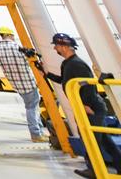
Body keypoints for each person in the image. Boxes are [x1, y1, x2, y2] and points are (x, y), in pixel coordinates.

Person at [38, 33, 121, 178]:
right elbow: (64, 80)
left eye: (56, 46)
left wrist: (85, 105)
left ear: (64, 47)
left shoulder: (77, 64)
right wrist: (47, 74)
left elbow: (88, 85)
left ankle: (93, 169)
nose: (55, 48)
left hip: (91, 107)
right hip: (85, 106)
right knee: (103, 139)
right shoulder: (67, 63)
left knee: (91, 140)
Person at [0, 26, 47, 142]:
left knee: (33, 107)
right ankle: (36, 134)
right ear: (10, 35)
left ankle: (40, 131)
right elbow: (32, 61)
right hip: (28, 82)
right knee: (32, 108)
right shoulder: (18, 47)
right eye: (13, 36)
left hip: (16, 84)